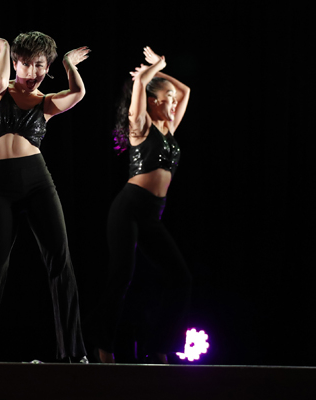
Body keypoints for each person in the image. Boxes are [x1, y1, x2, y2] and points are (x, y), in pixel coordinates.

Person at [0, 32, 90, 362]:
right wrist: (4, 48)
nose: (33, 72)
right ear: (15, 64)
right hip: (0, 186)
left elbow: (78, 93)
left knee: (60, 262)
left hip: (38, 183)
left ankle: (73, 355)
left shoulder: (46, 102)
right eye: (26, 64)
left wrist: (68, 63)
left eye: (40, 65)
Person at [91, 47, 192, 364]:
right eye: (167, 99)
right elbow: (139, 87)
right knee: (121, 276)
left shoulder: (169, 130)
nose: (174, 103)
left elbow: (186, 91)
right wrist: (153, 68)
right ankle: (103, 347)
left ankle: (159, 347)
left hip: (152, 215)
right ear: (152, 101)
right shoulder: (140, 127)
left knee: (181, 278)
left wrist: (158, 73)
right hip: (129, 208)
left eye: (173, 100)